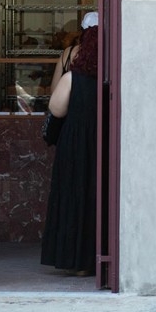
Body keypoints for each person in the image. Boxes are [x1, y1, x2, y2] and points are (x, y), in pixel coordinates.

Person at [41, 21, 99, 276]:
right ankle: (96, 257)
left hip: (74, 144)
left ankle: (75, 261)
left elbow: (56, 109)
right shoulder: (111, 79)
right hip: (101, 145)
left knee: (72, 198)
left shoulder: (71, 79)